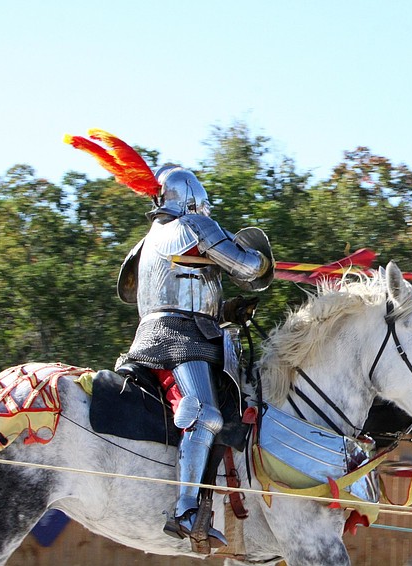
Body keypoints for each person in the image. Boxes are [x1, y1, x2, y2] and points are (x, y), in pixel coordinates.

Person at [117, 164, 274, 547]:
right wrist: (263, 256)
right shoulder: (193, 226)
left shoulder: (146, 242)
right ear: (191, 198)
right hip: (183, 337)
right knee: (204, 415)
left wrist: (223, 312)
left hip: (155, 333)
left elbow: (177, 290)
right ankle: (186, 509)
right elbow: (249, 266)